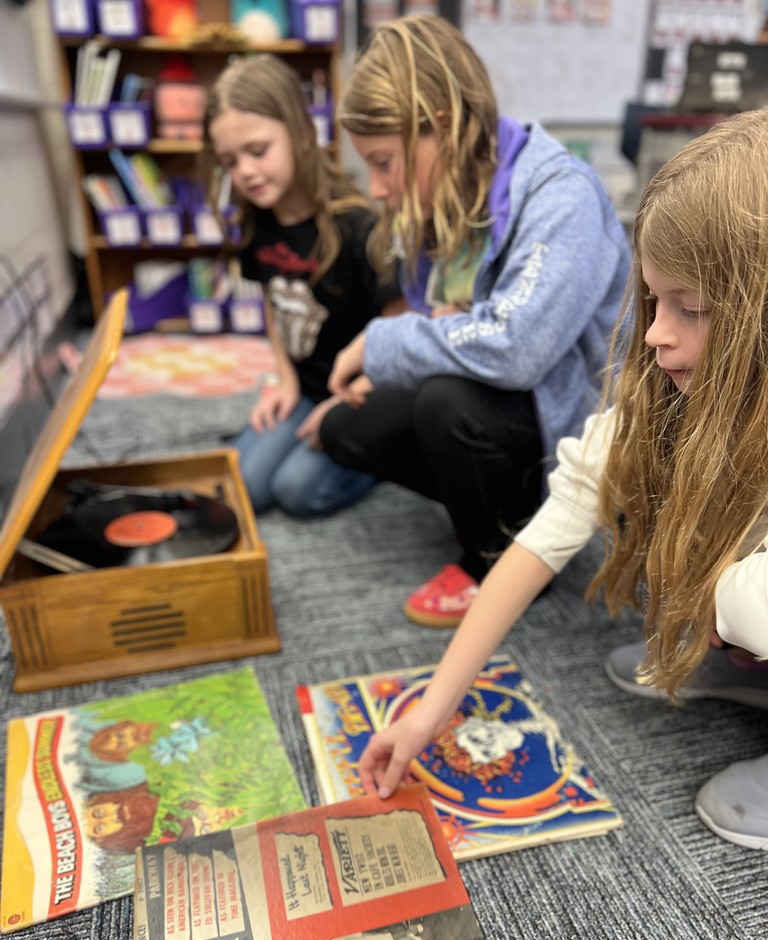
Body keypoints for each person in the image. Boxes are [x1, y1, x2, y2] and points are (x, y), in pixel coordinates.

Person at [357, 108, 768, 851]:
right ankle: (740, 666)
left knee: (741, 595)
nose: (653, 333)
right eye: (652, 301)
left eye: (692, 309)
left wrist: (720, 587)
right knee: (691, 546)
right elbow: (542, 543)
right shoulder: (662, 400)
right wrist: (428, 711)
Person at [319, 14, 631, 627]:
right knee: (345, 430)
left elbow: (515, 347)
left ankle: (503, 560)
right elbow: (443, 315)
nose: (378, 188)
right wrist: (395, 356)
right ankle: (498, 503)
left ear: (441, 128)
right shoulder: (439, 198)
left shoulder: (559, 194)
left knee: (445, 404)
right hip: (497, 388)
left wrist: (382, 343)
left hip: (568, 416)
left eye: (384, 163)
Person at [204, 55, 407, 517]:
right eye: (230, 161)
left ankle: (383, 457)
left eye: (258, 151)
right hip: (307, 386)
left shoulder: (359, 226)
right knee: (244, 486)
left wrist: (340, 409)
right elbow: (273, 307)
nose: (246, 172)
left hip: (362, 394)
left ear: (301, 132)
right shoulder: (256, 220)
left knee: (297, 491)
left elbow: (398, 334)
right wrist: (284, 379)